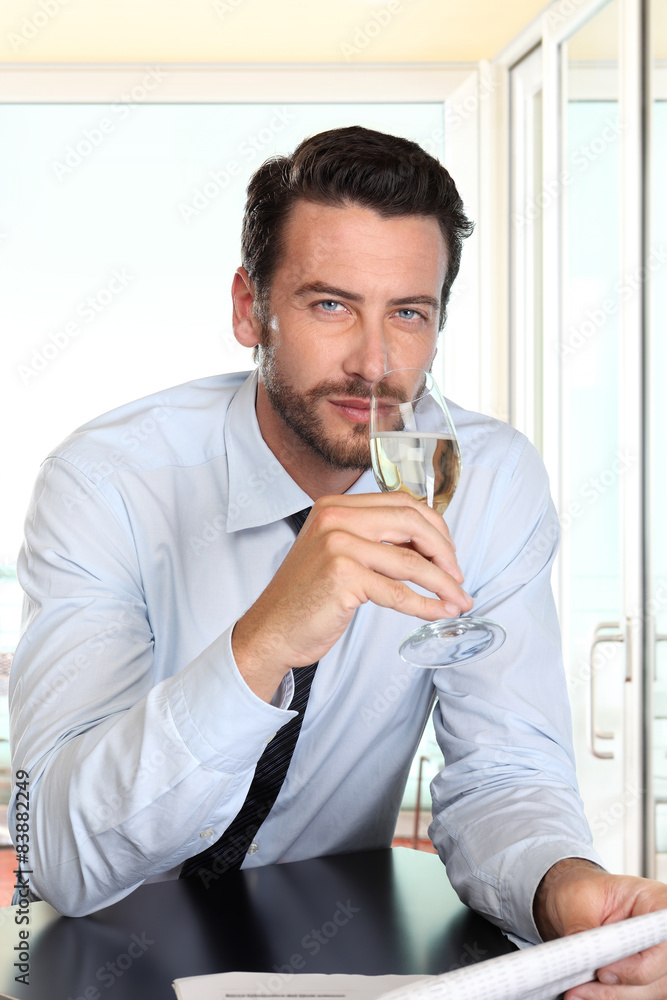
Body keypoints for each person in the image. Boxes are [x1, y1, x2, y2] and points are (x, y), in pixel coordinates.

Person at [9, 126, 667, 994]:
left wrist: (561, 891)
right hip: (105, 945)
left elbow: (504, 770)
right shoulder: (107, 480)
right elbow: (58, 858)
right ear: (251, 309)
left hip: (340, 942)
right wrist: (262, 646)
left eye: (408, 312)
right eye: (330, 305)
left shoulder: (488, 476)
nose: (376, 364)